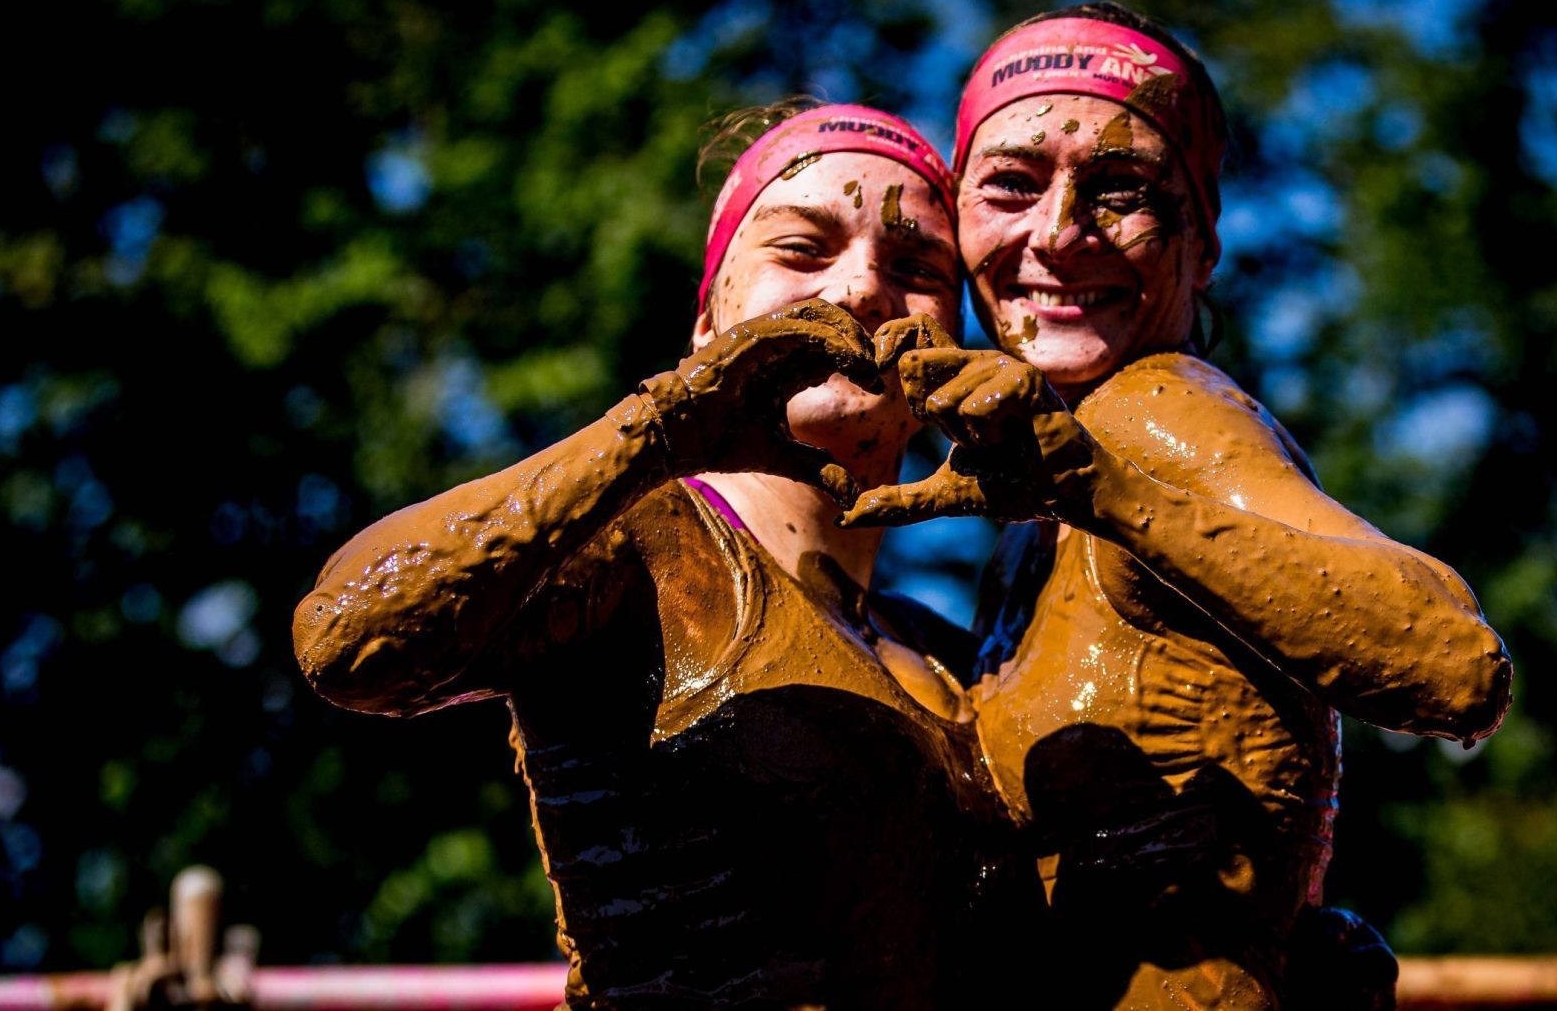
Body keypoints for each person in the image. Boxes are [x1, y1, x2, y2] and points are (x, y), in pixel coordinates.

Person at [294, 102, 1036, 1010]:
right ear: (708, 321)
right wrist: (658, 429)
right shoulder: (646, 538)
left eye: (918, 266)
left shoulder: (948, 651)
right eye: (803, 251)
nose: (862, 288)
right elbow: (346, 636)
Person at [845, 4, 1513, 1009]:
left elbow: (1455, 665)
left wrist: (1109, 491)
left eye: (1123, 192)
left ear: (1200, 248)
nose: (1060, 233)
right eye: (1012, 186)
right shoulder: (1047, 498)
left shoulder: (1156, 419)